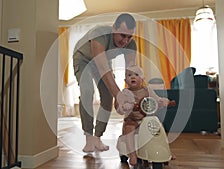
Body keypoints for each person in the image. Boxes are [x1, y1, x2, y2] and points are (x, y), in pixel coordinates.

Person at [73, 13, 137, 153]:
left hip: (102, 61)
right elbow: (102, 67)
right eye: (122, 35)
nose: (125, 41)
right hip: (83, 58)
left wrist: (126, 95)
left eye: (129, 36)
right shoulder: (100, 33)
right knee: (87, 91)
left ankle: (97, 137)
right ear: (113, 28)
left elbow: (131, 72)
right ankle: (89, 137)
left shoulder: (131, 44)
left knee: (107, 97)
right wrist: (118, 94)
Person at [116, 65, 176, 166]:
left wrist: (163, 101)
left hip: (146, 119)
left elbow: (156, 99)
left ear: (143, 79)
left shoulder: (147, 90)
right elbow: (119, 107)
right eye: (129, 75)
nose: (133, 77)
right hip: (132, 119)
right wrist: (125, 106)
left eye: (136, 74)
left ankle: (165, 151)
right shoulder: (125, 93)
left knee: (159, 127)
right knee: (129, 129)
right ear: (125, 80)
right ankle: (132, 154)